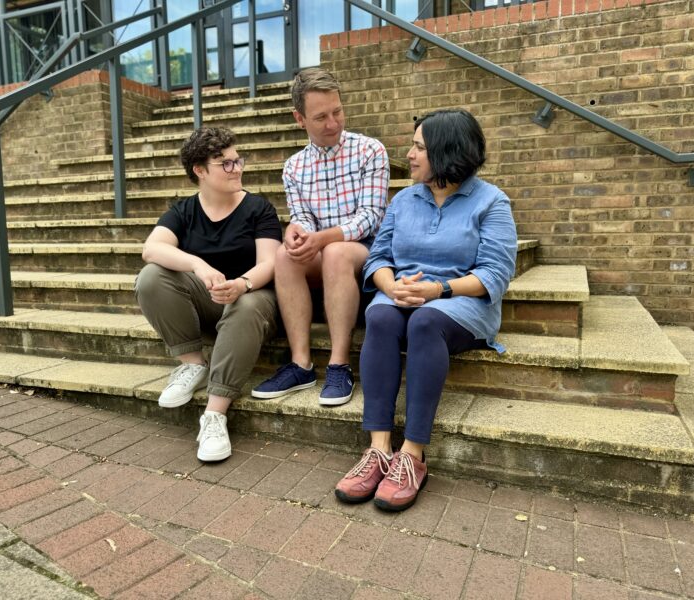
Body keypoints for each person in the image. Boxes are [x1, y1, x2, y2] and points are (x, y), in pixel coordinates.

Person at [334, 109, 518, 511]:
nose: (410, 154)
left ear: (446, 152)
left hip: (460, 301)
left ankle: (412, 455)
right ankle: (379, 449)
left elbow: (495, 274)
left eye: (419, 147)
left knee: (424, 321)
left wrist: (439, 290)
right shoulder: (404, 200)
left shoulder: (491, 202)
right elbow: (378, 257)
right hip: (402, 295)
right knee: (379, 317)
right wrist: (390, 284)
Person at [135, 127, 281, 462]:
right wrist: (198, 265)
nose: (237, 169)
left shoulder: (258, 208)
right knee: (152, 277)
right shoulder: (184, 211)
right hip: (209, 303)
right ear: (200, 170)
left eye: (237, 160)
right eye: (225, 164)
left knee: (245, 303)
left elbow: (270, 264)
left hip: (255, 303)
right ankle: (192, 363)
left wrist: (241, 283)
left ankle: (215, 414)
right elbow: (151, 249)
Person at [251, 68, 390, 406]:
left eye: (337, 111)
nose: (333, 123)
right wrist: (295, 230)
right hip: (322, 249)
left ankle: (339, 364)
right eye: (321, 117)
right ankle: (301, 364)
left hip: (364, 248)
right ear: (299, 118)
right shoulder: (293, 167)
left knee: (336, 253)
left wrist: (324, 238)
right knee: (285, 255)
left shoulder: (370, 151)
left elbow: (372, 217)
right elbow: (302, 216)